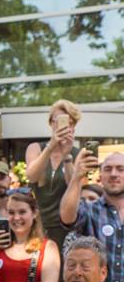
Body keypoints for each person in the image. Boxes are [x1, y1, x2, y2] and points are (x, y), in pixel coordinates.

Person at [60, 151, 124, 282]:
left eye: (121, 169)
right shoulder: (89, 210)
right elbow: (66, 218)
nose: (113, 174)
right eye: (107, 169)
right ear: (100, 176)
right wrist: (76, 177)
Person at [25, 99, 82, 252]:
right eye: (59, 120)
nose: (63, 126)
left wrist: (67, 155)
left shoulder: (77, 154)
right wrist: (51, 146)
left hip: (65, 227)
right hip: (37, 225)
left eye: (69, 123)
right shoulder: (35, 148)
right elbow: (32, 176)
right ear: (51, 123)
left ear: (73, 127)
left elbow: (74, 187)